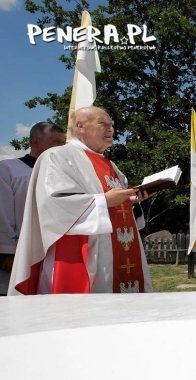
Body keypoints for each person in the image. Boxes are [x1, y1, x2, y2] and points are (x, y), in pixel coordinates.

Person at [8, 106, 153, 295]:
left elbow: (116, 206)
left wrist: (132, 201)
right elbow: (53, 206)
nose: (111, 130)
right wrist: (103, 201)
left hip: (118, 252)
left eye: (112, 125)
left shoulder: (112, 166)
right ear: (80, 126)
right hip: (80, 255)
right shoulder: (57, 157)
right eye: (103, 124)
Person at [0, 122, 66, 295]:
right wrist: (6, 252)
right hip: (18, 255)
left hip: (54, 254)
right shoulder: (8, 170)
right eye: (56, 142)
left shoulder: (64, 174)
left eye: (63, 143)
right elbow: (3, 212)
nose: (60, 148)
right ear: (36, 142)